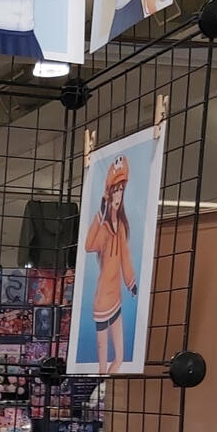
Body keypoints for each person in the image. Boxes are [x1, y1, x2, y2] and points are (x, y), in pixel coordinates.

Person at [85, 154, 137, 374]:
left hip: (116, 295)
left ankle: (108, 379)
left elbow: (125, 257)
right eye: (115, 190)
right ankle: (101, 378)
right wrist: (100, 214)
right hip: (103, 297)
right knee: (102, 356)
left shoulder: (121, 227)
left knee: (119, 357)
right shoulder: (104, 229)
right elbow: (89, 245)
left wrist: (131, 283)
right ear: (108, 193)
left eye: (121, 190)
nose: (118, 195)